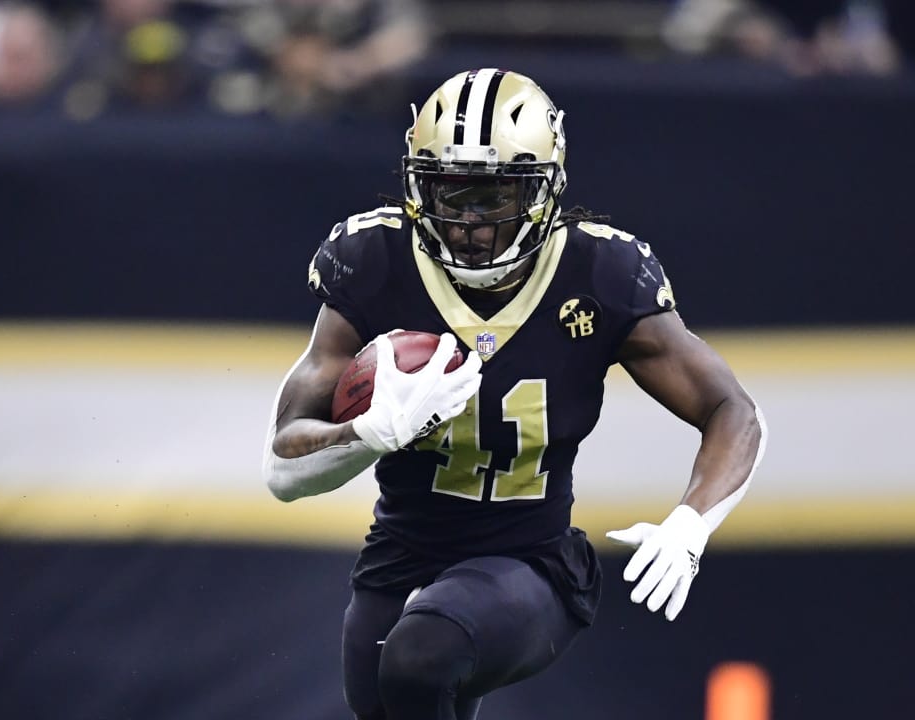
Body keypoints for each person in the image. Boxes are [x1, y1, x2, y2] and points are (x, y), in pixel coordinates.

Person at [262, 69, 767, 720]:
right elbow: (283, 470)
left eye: (493, 197)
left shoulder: (601, 274)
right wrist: (367, 434)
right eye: (449, 193)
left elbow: (733, 411)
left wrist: (692, 521)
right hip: (398, 560)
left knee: (421, 656)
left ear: (542, 191)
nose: (468, 222)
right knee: (395, 685)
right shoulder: (376, 261)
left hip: (528, 562)